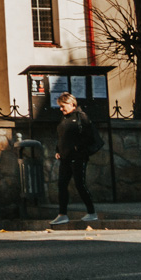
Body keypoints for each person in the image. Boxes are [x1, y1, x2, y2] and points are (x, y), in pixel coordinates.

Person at [48, 91, 100, 227]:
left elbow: (92, 138)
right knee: (62, 185)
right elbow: (62, 137)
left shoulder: (81, 117)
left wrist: (80, 150)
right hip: (65, 157)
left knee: (80, 184)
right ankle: (62, 214)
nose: (61, 109)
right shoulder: (64, 119)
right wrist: (58, 151)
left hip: (78, 157)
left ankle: (91, 212)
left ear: (72, 104)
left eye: (63, 106)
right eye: (60, 106)